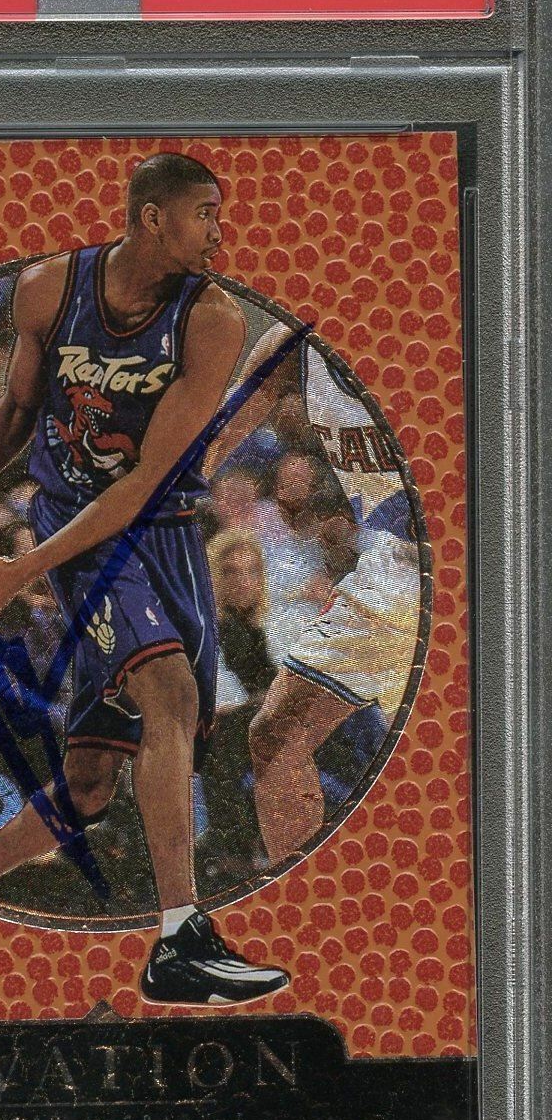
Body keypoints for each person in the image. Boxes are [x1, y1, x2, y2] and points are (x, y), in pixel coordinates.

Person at [0, 152, 289, 1006]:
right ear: (151, 217)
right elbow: (15, 415)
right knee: (169, 691)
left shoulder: (211, 321)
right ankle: (179, 938)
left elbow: (144, 483)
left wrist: (10, 574)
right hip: (80, 535)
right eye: (205, 213)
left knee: (93, 780)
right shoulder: (49, 289)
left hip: (162, 529)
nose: (220, 231)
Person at [206, 322, 421, 868]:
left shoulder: (440, 315)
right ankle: (309, 894)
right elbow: (213, 444)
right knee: (275, 736)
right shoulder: (291, 340)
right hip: (390, 569)